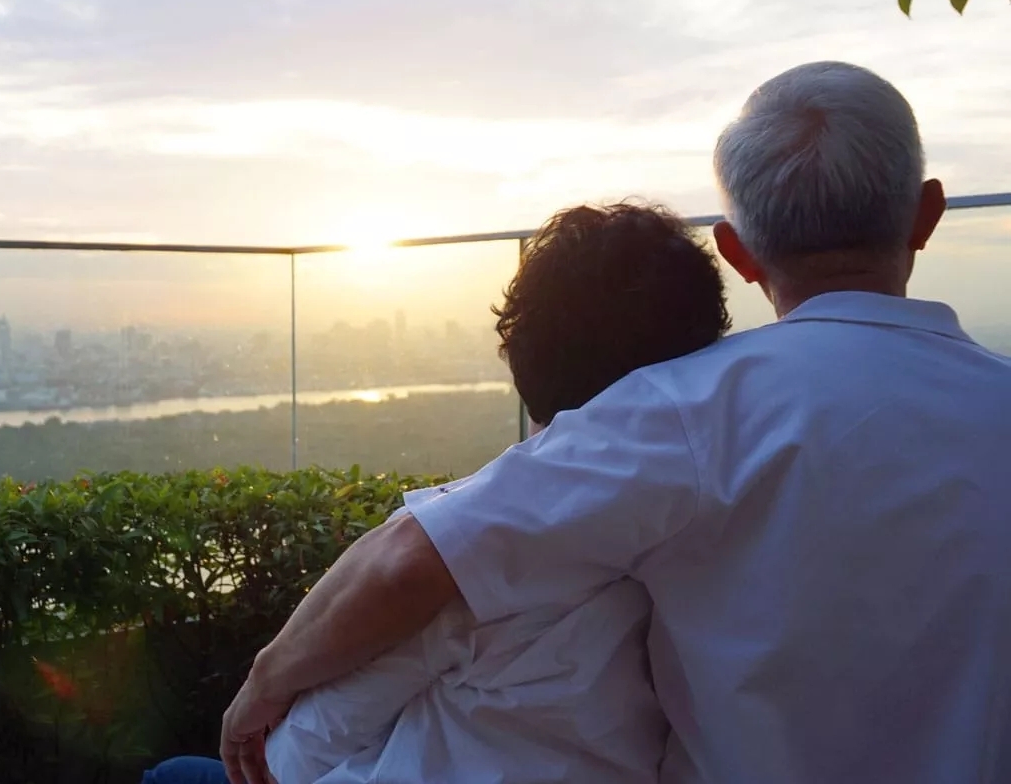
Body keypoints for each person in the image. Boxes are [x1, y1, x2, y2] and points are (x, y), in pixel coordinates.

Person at [224, 61, 1011, 784]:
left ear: (738, 252)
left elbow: (412, 559)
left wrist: (263, 686)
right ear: (927, 213)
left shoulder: (690, 408)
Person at [143, 203, 732, 784]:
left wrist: (263, 688)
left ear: (527, 368)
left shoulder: (487, 566)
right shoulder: (728, 505)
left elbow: (292, 758)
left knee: (173, 774)